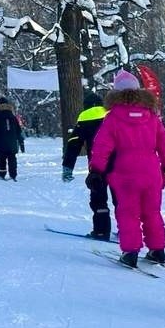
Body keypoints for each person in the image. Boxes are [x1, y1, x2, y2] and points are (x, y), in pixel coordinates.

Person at [89, 70, 165, 267]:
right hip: (151, 171)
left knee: (128, 212)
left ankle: (130, 251)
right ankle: (157, 250)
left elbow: (101, 146)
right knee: (152, 211)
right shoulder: (152, 117)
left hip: (125, 172)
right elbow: (164, 141)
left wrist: (96, 170)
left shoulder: (112, 118)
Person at [63, 90, 112, 239]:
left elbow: (74, 144)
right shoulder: (112, 115)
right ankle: (127, 230)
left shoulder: (85, 117)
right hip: (117, 162)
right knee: (121, 199)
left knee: (99, 198)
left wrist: (68, 167)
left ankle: (101, 230)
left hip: (97, 164)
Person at [0, 96, 24, 180]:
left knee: (1, 158)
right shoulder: (12, 116)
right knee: (12, 158)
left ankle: (2, 174)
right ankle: (13, 175)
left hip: (1, 142)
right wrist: (21, 143)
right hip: (12, 142)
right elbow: (18, 131)